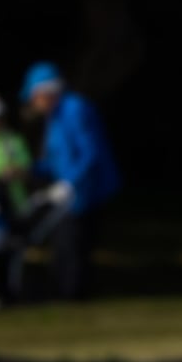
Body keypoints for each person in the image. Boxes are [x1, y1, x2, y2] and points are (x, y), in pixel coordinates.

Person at [21, 64, 120, 302]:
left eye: (34, 96)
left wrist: (69, 183)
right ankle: (63, 294)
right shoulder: (53, 116)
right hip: (70, 192)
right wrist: (29, 170)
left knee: (73, 244)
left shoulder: (75, 108)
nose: (33, 102)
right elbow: (55, 160)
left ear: (46, 92)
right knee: (62, 242)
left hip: (88, 192)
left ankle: (72, 296)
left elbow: (90, 152)